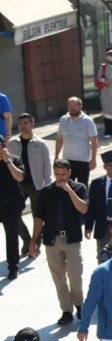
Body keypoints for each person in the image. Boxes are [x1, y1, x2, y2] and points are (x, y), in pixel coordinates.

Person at [30, 159, 89, 324]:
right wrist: (34, 240)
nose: (60, 178)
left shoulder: (79, 188)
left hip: (72, 240)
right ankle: (66, 310)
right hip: (52, 240)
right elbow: (38, 218)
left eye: (63, 174)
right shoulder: (46, 192)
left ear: (70, 172)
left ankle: (79, 304)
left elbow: (83, 208)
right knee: (59, 277)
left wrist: (69, 190)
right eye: (57, 174)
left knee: (75, 275)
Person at [8, 114, 51, 257]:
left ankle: (35, 244)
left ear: (32, 124)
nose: (22, 125)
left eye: (26, 123)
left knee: (37, 217)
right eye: (20, 123)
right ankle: (27, 240)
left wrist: (48, 187)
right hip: (17, 185)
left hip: (36, 185)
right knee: (13, 214)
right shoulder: (12, 143)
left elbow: (47, 168)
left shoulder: (40, 144)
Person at [56, 97, 99, 184]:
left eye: (75, 105)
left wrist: (93, 159)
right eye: (70, 106)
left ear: (80, 107)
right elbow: (60, 139)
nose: (72, 108)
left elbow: (94, 141)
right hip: (67, 160)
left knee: (82, 186)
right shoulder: (63, 120)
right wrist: (56, 156)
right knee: (66, 186)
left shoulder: (88, 121)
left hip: (83, 161)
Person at [0, 141, 24, 279]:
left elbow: (20, 177)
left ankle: (13, 267)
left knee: (12, 236)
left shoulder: (14, 159)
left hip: (11, 205)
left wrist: (7, 161)